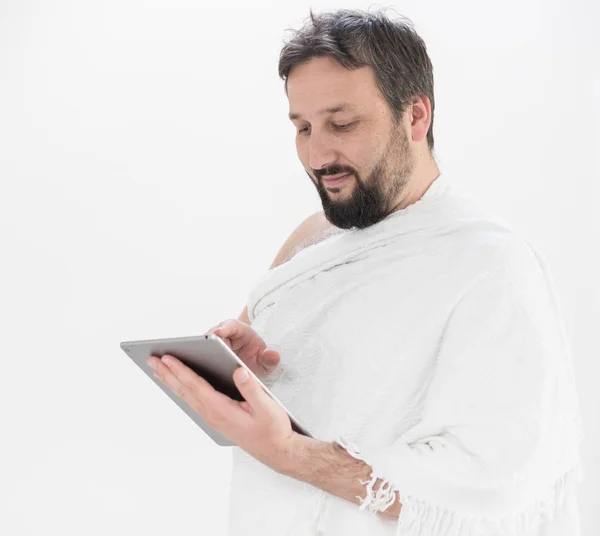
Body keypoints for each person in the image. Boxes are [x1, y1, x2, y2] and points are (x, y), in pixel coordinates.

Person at [147, 8, 584, 535]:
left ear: (416, 116)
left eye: (342, 123)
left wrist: (289, 452)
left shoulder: (490, 262)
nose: (317, 153)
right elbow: (284, 393)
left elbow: (491, 483)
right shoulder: (311, 238)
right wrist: (242, 368)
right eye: (303, 127)